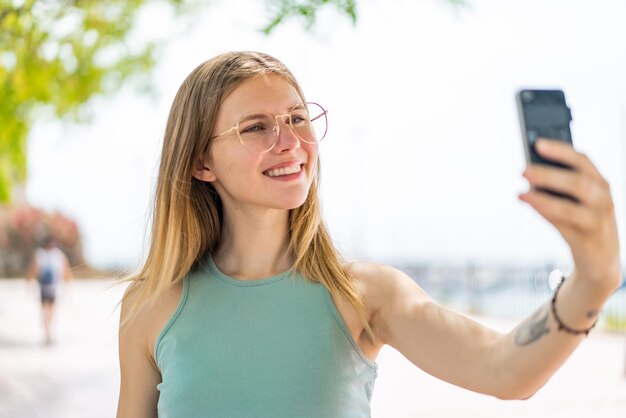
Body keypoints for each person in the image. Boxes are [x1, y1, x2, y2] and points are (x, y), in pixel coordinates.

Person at [116, 51, 622, 418]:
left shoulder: (365, 294)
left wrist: (594, 281)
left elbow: (506, 370)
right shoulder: (151, 305)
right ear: (202, 161)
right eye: (256, 127)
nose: (291, 142)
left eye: (297, 118)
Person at [27, 234, 72, 344]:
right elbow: (34, 269)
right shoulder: (41, 254)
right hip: (44, 287)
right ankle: (47, 334)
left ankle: (49, 333)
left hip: (53, 287)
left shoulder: (56, 255)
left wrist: (67, 283)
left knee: (50, 311)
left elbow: (65, 270)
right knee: (46, 311)